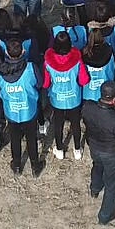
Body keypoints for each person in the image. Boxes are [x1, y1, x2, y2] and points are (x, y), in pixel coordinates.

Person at [81, 81, 115, 225]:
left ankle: (95, 188)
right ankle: (104, 215)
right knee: (111, 185)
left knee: (97, 166)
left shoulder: (88, 107)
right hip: (112, 154)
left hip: (94, 147)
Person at [0, 39, 45, 178]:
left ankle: (17, 165)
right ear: (23, 52)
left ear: (6, 52)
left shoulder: (1, 71)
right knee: (31, 137)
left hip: (11, 110)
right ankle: (35, 166)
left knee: (15, 137)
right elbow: (39, 83)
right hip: (28, 109)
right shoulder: (31, 68)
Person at [42, 31, 89, 161]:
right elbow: (84, 80)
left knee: (58, 124)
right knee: (75, 124)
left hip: (57, 99)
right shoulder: (77, 59)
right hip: (73, 97)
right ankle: (77, 149)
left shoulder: (48, 61)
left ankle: (60, 149)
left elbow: (45, 83)